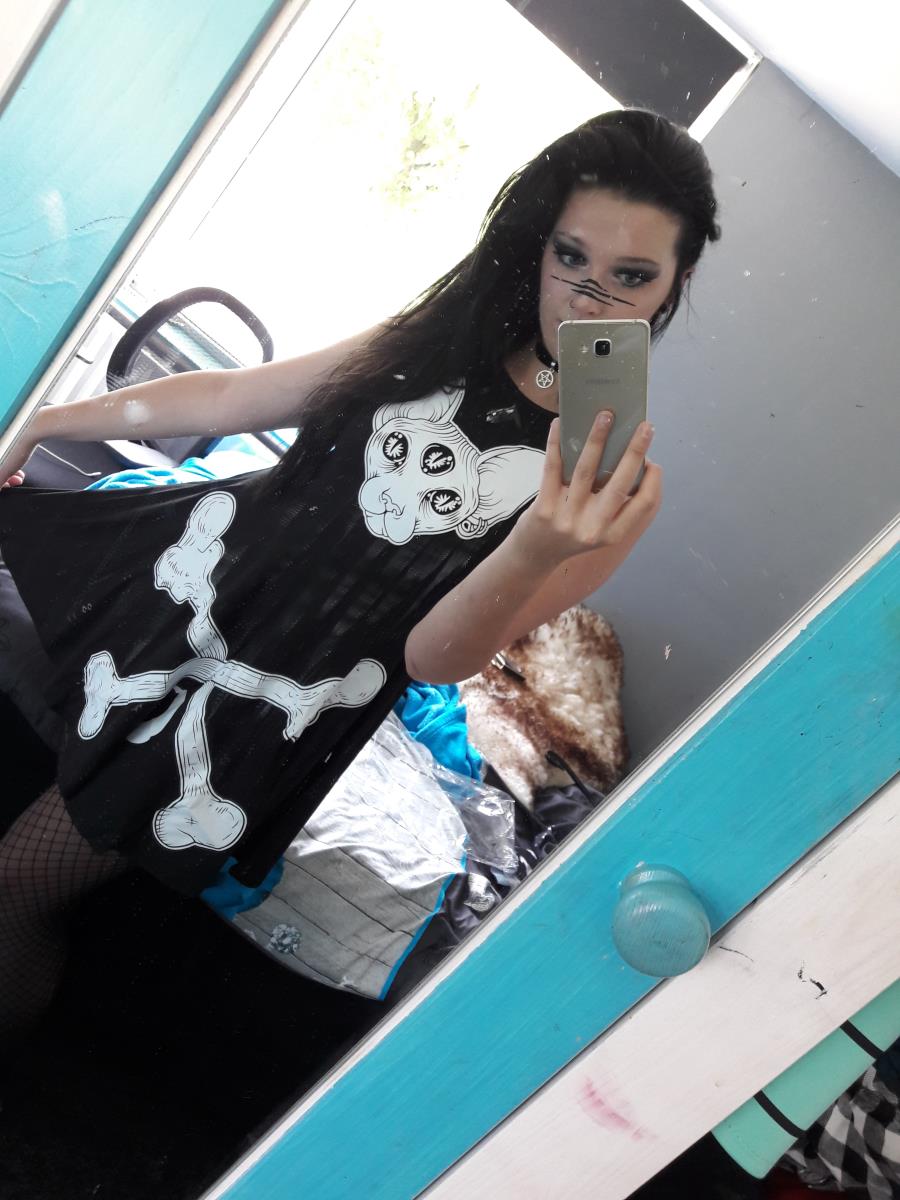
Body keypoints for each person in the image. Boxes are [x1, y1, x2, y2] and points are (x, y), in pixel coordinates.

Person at [0, 107, 720, 1050]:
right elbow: (236, 394)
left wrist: (537, 546)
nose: (590, 299)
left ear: (675, 284)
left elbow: (431, 659)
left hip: (265, 699)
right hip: (186, 592)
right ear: (538, 244)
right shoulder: (442, 340)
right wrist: (44, 425)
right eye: (571, 257)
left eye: (631, 276)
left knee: (16, 883)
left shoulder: (612, 491)